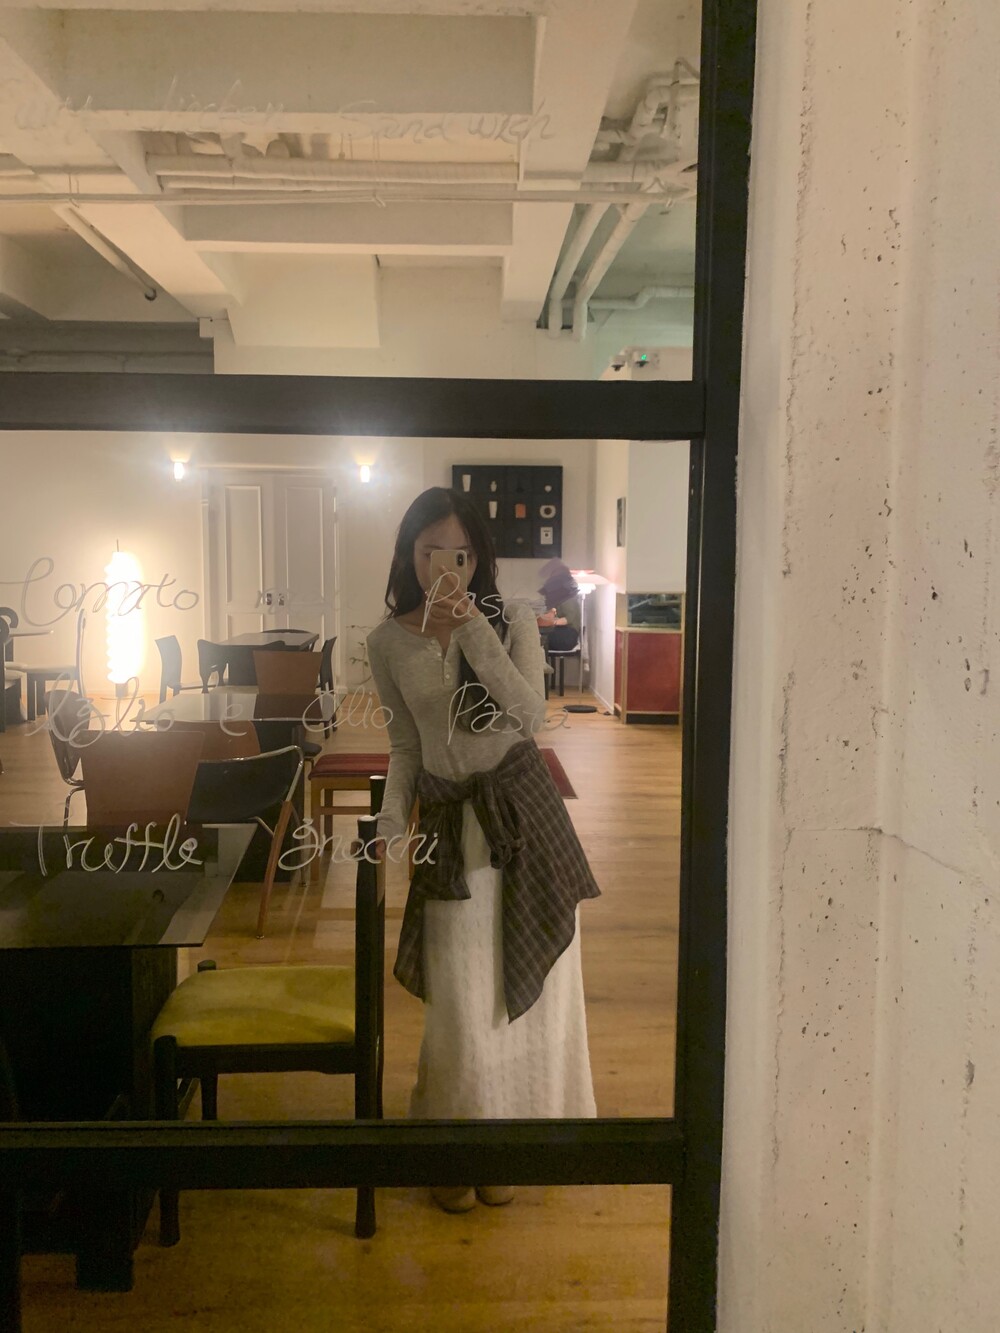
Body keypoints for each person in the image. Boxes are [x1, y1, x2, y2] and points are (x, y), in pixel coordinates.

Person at [365, 487, 601, 1215]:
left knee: (526, 1003)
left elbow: (530, 716)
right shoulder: (387, 641)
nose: (445, 565)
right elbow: (406, 747)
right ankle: (455, 1145)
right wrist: (388, 820)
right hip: (449, 829)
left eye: (460, 554)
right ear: (408, 554)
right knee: (462, 1005)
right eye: (430, 550)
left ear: (478, 558)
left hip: (525, 820)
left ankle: (508, 1145)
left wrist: (471, 627)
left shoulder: (511, 618)